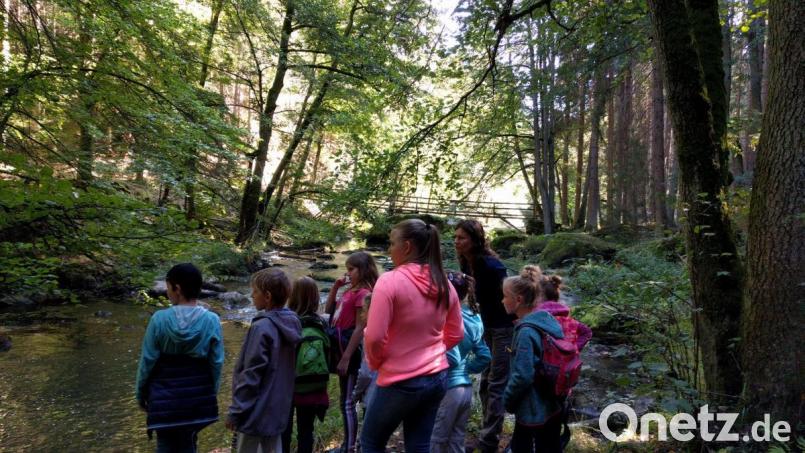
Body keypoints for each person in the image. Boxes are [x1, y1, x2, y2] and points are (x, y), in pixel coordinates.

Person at [361, 219, 464, 453]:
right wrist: (433, 351)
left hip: (400, 381)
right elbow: (457, 333)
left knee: (370, 443)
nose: (389, 249)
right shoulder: (444, 283)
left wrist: (378, 363)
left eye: (391, 243)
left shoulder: (389, 281)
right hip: (437, 377)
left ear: (406, 247)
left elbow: (375, 337)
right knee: (419, 445)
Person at [135, 263, 224, 453]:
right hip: (196, 397)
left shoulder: (159, 319)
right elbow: (216, 363)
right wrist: (212, 391)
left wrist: (140, 394)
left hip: (163, 397)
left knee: (165, 444)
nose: (167, 292)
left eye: (168, 287)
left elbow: (147, 362)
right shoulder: (212, 320)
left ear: (177, 288)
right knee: (188, 443)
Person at [227, 268, 302, 453]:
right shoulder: (293, 322)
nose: (251, 296)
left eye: (254, 291)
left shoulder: (261, 328)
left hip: (255, 411)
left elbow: (251, 374)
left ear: (267, 296)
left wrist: (236, 411)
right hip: (278, 409)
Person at [453, 219, 512, 453]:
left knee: (496, 383)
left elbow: (510, 294)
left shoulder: (491, 266)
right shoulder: (468, 263)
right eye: (455, 237)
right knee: (486, 382)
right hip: (487, 326)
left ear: (475, 240)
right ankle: (488, 433)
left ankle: (488, 442)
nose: (457, 241)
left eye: (462, 238)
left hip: (505, 329)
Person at [501, 266, 566, 453]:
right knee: (550, 445)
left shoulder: (526, 332)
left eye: (505, 296)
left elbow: (523, 375)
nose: (502, 300)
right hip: (552, 403)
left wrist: (508, 400)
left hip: (532, 408)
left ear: (518, 300)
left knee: (522, 445)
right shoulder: (546, 321)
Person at [431, 271, 491, 453]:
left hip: (447, 390)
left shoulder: (443, 318)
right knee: (456, 442)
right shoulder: (475, 318)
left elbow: (451, 357)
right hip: (465, 390)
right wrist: (466, 370)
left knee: (435, 441)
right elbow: (485, 356)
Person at [324, 252, 379, 453]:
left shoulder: (364, 294)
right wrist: (335, 287)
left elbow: (359, 327)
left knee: (348, 402)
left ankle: (349, 447)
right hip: (340, 347)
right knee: (344, 399)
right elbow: (328, 311)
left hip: (351, 350)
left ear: (363, 270)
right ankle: (350, 444)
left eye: (351, 269)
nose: (347, 274)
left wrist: (346, 358)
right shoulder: (349, 290)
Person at [282, 277, 330, 453]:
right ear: (316, 297)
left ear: (292, 296)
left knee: (283, 431)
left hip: (288, 385)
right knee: (306, 431)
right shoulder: (322, 322)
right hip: (313, 385)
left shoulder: (286, 321)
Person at [536, 275, 592, 351]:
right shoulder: (568, 320)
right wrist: (575, 348)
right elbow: (587, 332)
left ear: (540, 296)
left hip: (542, 361)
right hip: (567, 361)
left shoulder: (535, 319)